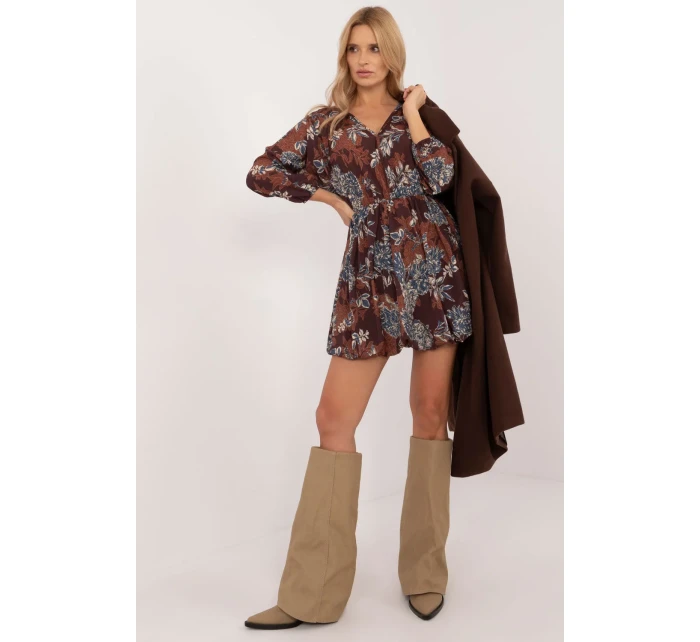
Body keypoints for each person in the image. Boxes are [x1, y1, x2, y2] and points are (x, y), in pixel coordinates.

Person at [243, 6, 470, 629]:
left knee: (429, 413)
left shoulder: (418, 115)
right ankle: (313, 593)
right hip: (368, 281)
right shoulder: (326, 124)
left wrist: (416, 113)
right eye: (353, 48)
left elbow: (440, 175)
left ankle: (425, 573)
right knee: (333, 419)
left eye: (374, 48)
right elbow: (262, 172)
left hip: (433, 272)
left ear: (392, 54)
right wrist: (329, 197)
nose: (364, 59)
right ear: (344, 56)